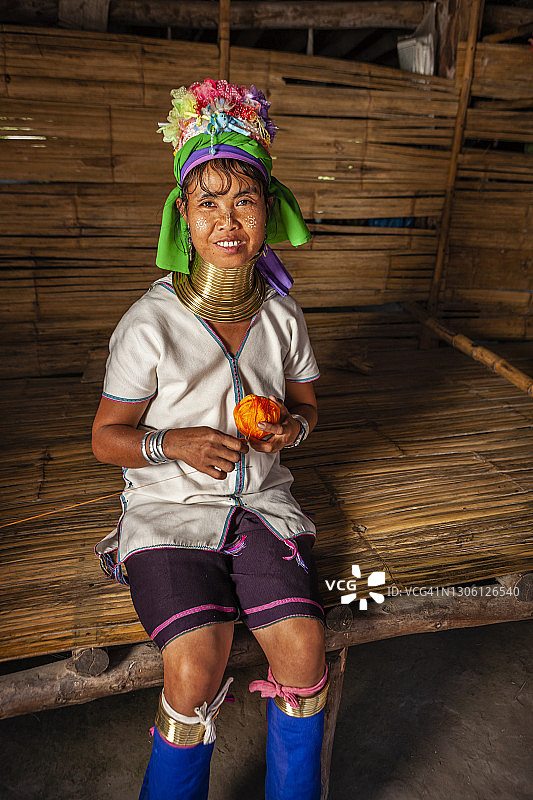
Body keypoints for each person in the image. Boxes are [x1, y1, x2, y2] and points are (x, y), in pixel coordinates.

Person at [92, 79, 328, 800]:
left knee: (302, 647)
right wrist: (174, 445)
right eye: (209, 202)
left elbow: (308, 407)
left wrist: (293, 427)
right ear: (183, 218)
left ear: (269, 212)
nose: (229, 220)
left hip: (261, 507)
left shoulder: (282, 318)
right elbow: (107, 439)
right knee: (196, 664)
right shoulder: (149, 323)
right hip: (168, 515)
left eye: (246, 200)